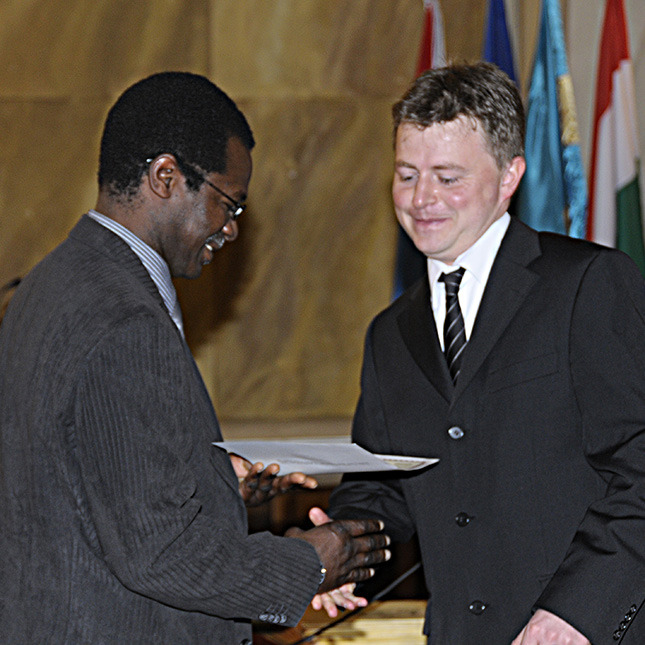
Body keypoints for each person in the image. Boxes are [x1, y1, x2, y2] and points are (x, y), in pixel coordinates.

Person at [0, 72, 391, 644]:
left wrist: (212, 488)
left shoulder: (48, 283)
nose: (230, 230)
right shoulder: (126, 318)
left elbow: (78, 483)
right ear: (166, 176)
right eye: (227, 204)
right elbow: (160, 553)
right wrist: (310, 563)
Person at [310, 62, 645, 644]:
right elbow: (382, 485)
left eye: (447, 177)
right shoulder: (389, 333)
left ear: (510, 175)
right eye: (407, 175)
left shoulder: (587, 284)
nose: (422, 199)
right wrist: (342, 545)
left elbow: (639, 464)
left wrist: (576, 612)